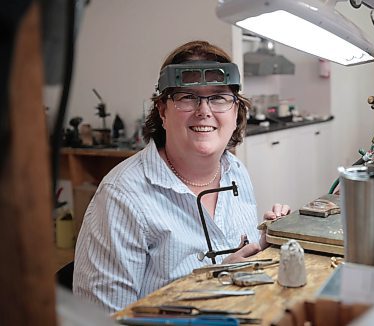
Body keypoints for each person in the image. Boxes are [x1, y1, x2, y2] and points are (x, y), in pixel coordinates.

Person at [73, 40, 291, 313]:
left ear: (236, 111)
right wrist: (216, 281)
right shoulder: (122, 197)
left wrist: (264, 247)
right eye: (187, 97)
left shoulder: (236, 172)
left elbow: (237, 264)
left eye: (219, 97)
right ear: (163, 111)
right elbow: (103, 319)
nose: (204, 110)